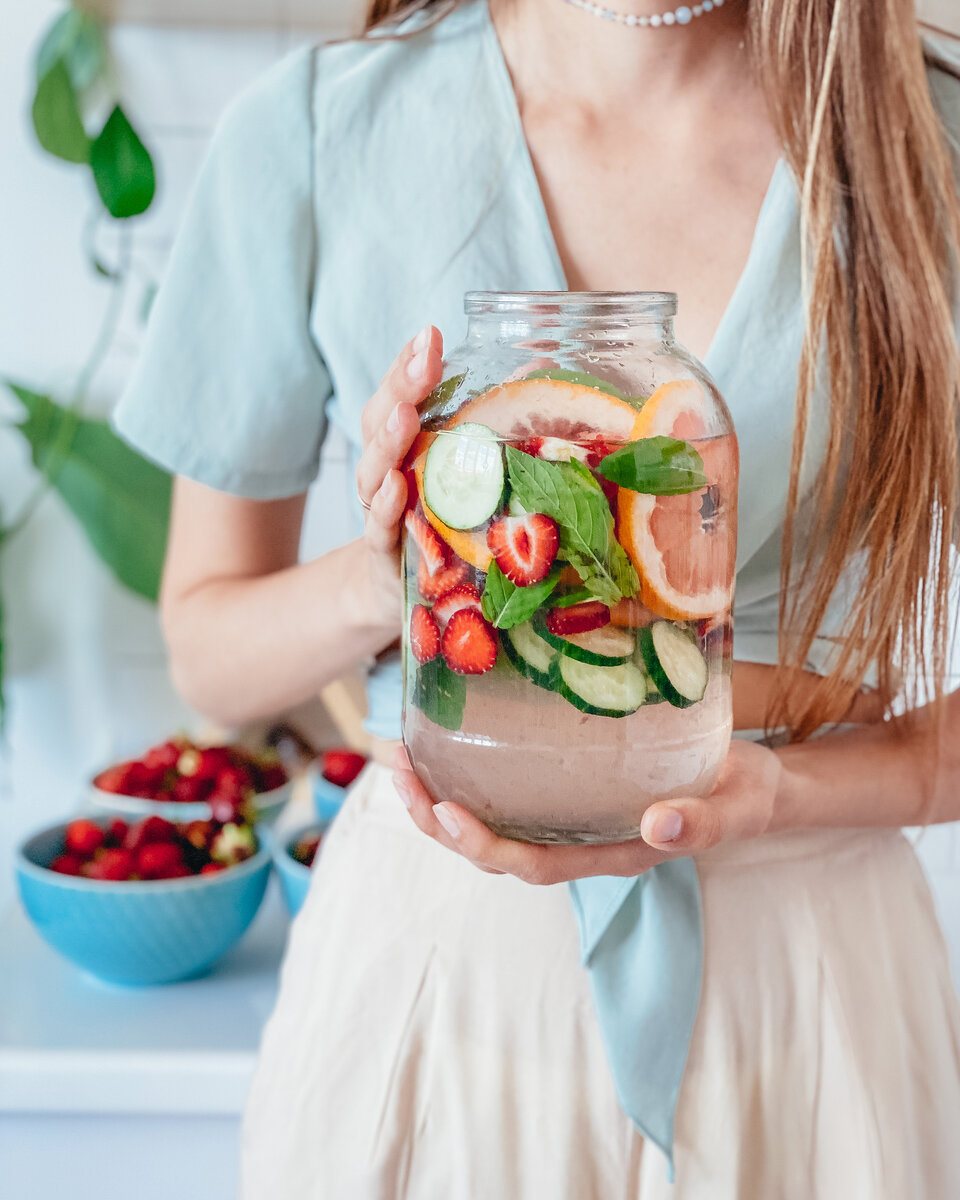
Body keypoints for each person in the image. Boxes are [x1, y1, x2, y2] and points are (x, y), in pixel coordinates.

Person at [114, 0, 960, 1195]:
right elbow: (210, 655)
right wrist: (389, 572)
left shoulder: (933, 139)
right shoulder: (314, 132)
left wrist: (786, 791)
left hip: (814, 989)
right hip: (436, 981)